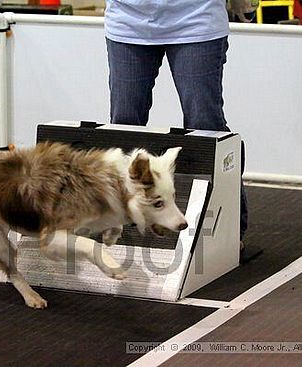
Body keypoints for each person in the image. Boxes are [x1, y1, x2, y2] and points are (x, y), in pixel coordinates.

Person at [104, 0, 255, 261]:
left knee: (205, 126)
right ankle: (126, 223)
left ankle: (230, 228)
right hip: (128, 21)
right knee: (124, 126)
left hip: (196, 18)